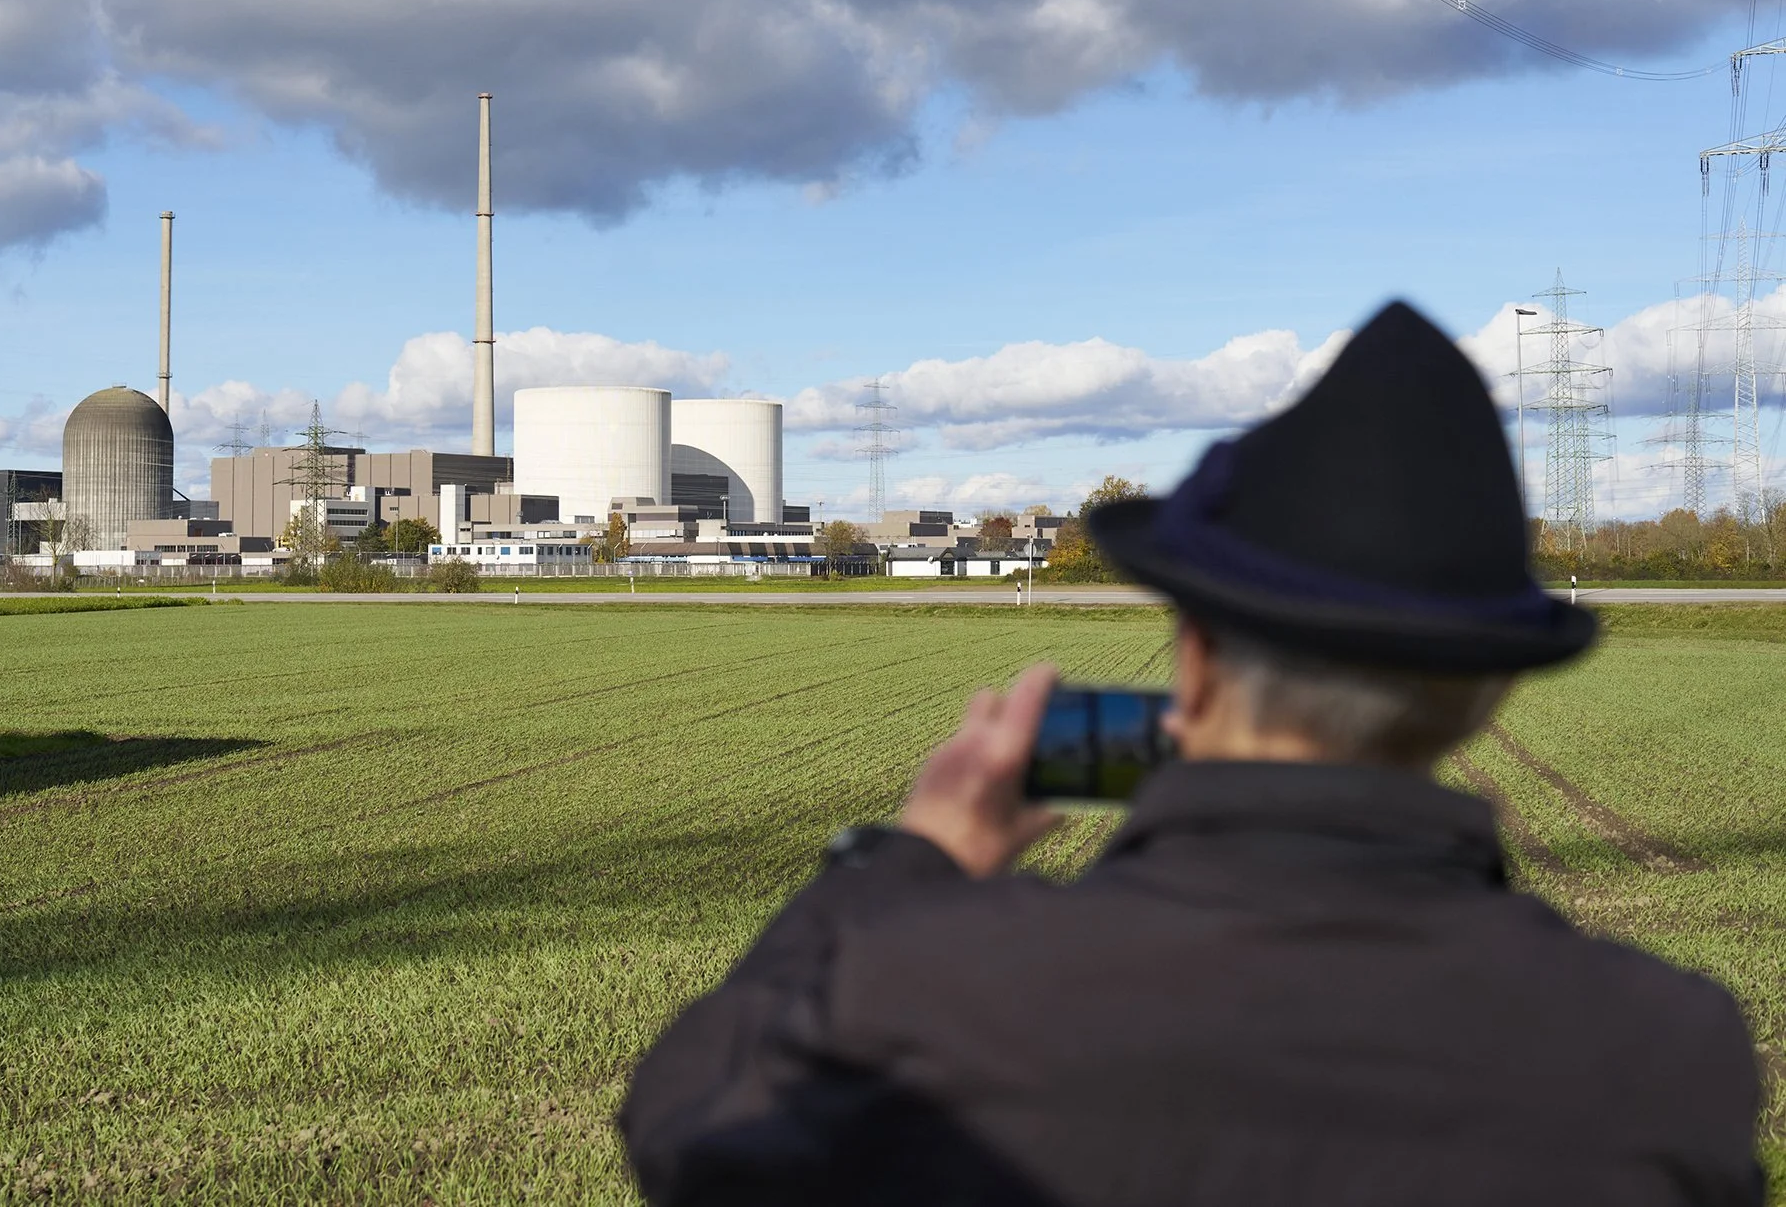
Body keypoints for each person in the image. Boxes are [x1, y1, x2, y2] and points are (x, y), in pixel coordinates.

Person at [618, 302, 1763, 1206]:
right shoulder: (1668, 1053)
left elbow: (686, 1124)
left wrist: (908, 858)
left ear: (1198, 660)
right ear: (1485, 693)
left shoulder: (934, 986)